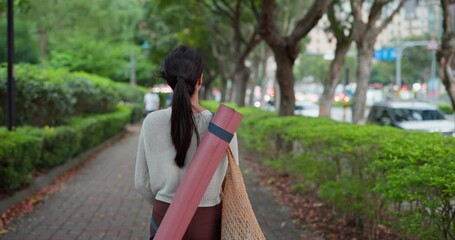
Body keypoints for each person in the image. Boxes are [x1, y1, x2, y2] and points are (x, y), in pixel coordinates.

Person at [135, 46, 239, 240]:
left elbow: (141, 183)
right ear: (200, 79)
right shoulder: (223, 127)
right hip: (209, 217)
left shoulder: (151, 122)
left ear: (168, 81)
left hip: (164, 215)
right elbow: (231, 182)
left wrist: (171, 207)